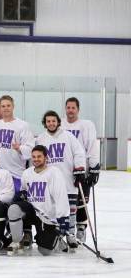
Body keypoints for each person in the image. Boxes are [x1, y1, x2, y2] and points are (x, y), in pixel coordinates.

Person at [35, 110, 86, 248]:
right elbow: (36, 159)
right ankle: (59, 235)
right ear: (44, 123)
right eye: (48, 121)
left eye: (53, 121)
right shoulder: (41, 139)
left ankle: (71, 234)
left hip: (68, 180)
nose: (51, 123)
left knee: (71, 209)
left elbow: (79, 153)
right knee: (55, 210)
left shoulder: (68, 136)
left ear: (58, 121)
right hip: (50, 183)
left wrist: (80, 169)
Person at [7, 145, 70, 256]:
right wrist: (21, 194)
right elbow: (24, 191)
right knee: (14, 209)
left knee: (45, 251)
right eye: (34, 157)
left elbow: (61, 196)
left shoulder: (54, 173)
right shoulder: (27, 173)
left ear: (46, 157)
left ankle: (57, 239)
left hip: (47, 216)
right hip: (32, 210)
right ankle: (16, 242)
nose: (36, 159)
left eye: (39, 156)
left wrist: (63, 216)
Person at [62, 97, 101, 243]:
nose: (70, 110)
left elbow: (91, 146)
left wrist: (94, 168)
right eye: (68, 107)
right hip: (65, 170)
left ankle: (81, 227)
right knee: (67, 201)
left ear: (78, 109)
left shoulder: (86, 125)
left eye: (73, 108)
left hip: (82, 169)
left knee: (81, 201)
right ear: (65, 109)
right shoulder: (61, 124)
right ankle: (66, 229)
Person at [0, 95, 34, 190]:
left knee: (13, 203)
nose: (6, 108)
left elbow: (31, 150)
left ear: (13, 106)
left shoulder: (23, 125)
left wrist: (20, 148)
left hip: (16, 174)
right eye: (3, 106)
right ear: (0, 108)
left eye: (8, 105)